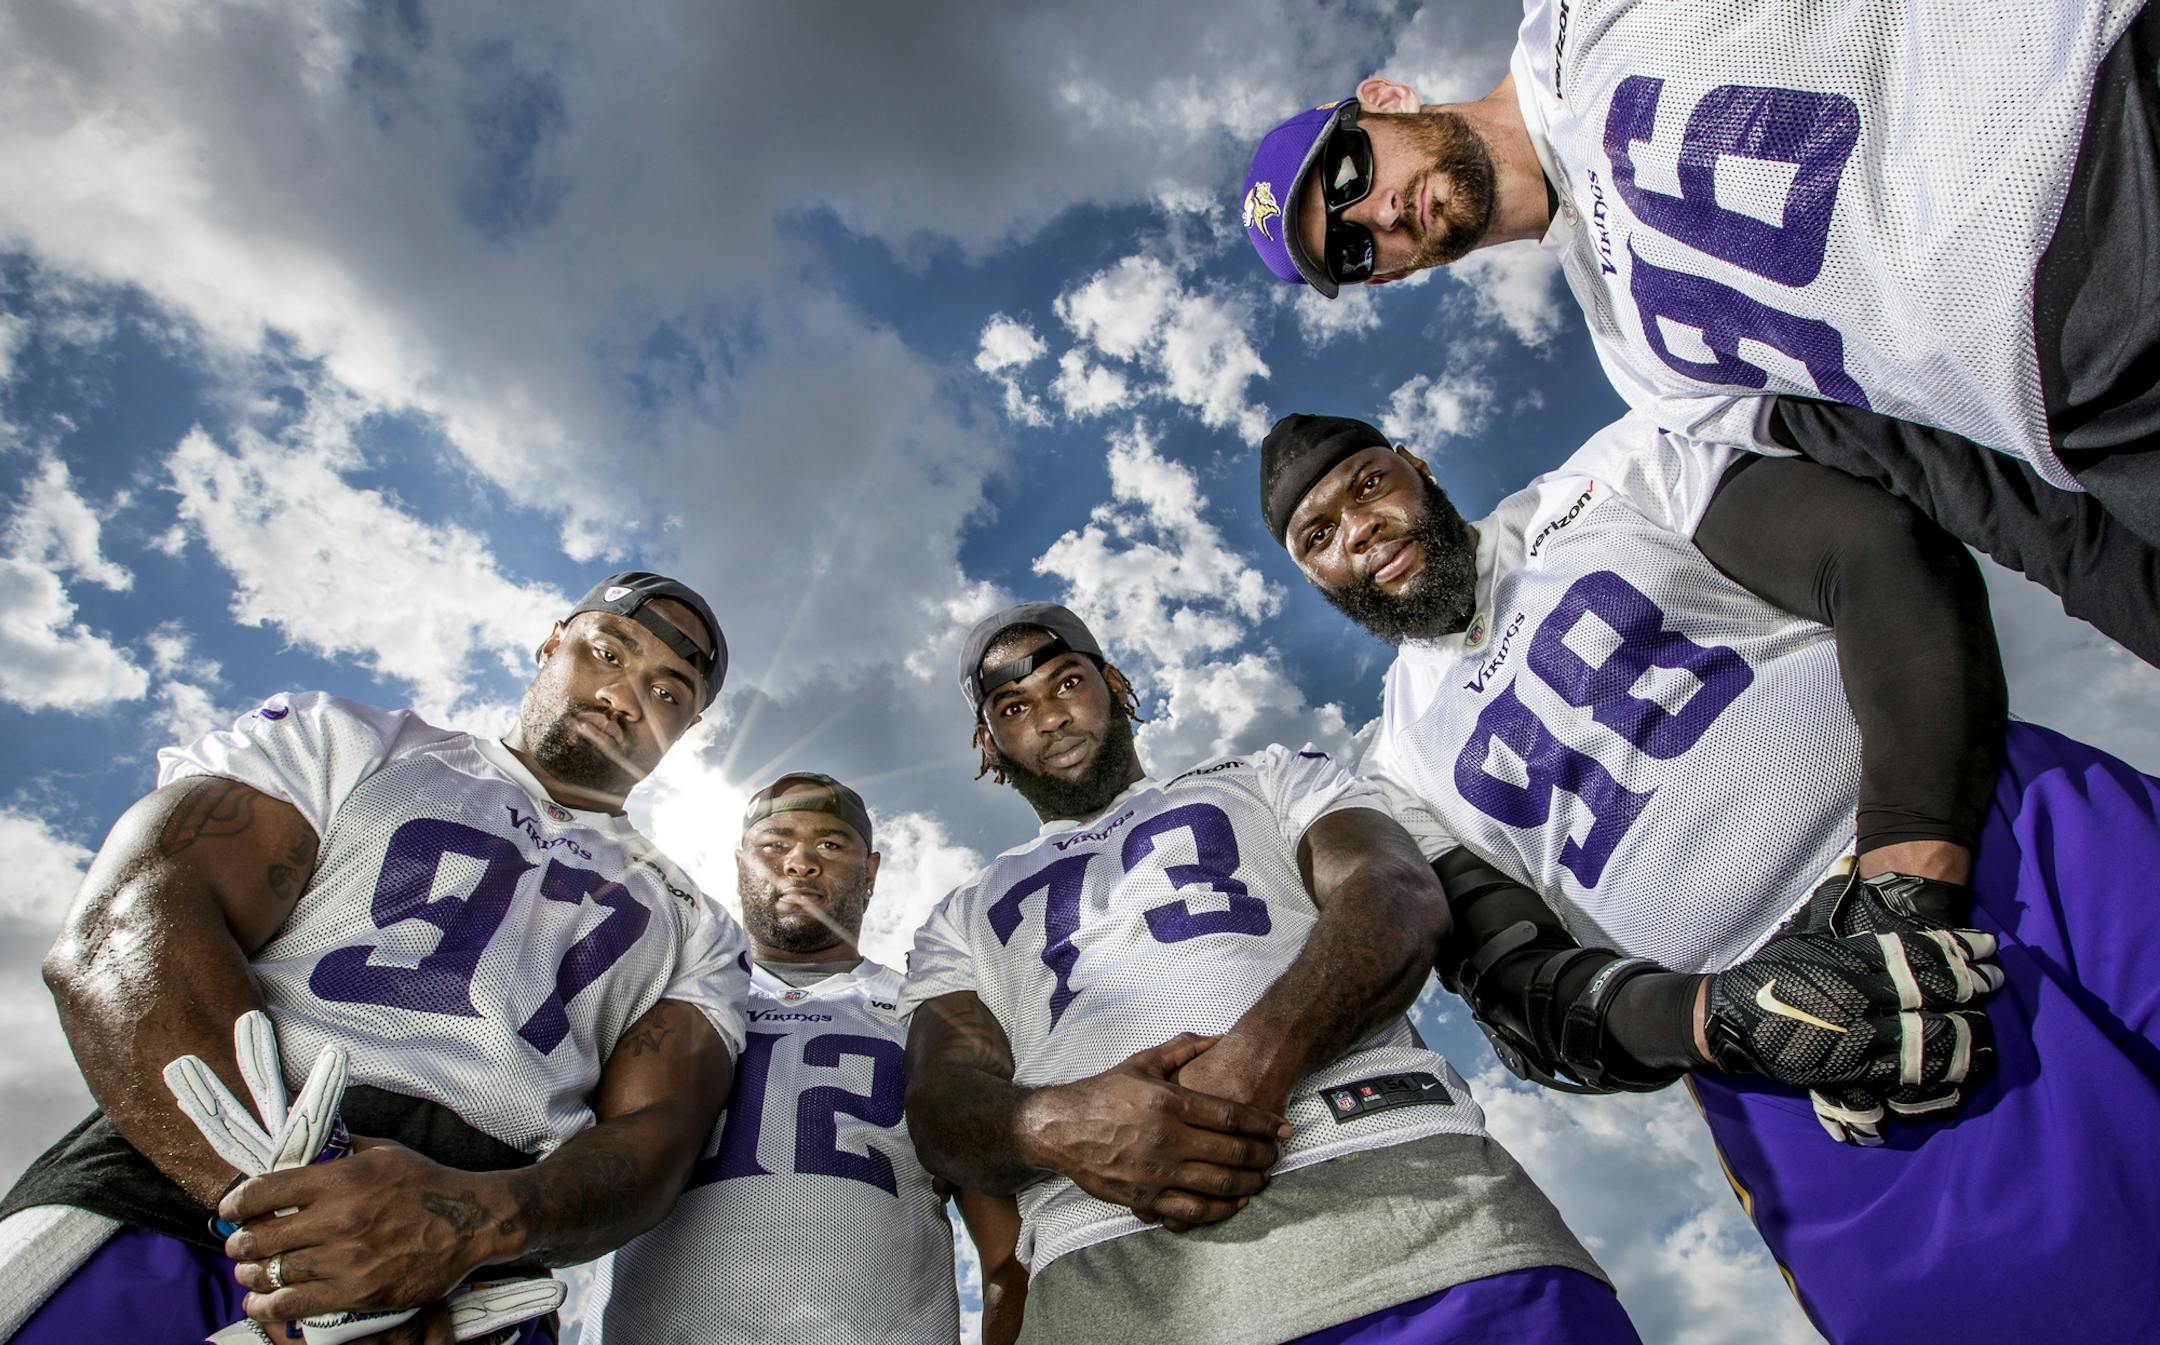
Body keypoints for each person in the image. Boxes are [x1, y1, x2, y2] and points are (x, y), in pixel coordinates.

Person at [1259, 410, 2160, 1343]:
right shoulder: (1398, 767)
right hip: (1796, 1043)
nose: (1358, 529)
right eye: (1318, 536)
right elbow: (1519, 986)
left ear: (1415, 464)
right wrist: (1727, 1017)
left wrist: (1907, 864)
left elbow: (1874, 555)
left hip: (2008, 844)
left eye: (1367, 485)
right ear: (1313, 579)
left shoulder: (1614, 475)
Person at [1240, 1, 2160, 667]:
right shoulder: (1643, 367)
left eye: (1350, 171)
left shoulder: (1585, 22)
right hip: (2103, 423)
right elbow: (1932, 467)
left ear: (1384, 94)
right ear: (1389, 276)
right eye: (1353, 250)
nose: (1379, 216)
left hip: (2111, 115)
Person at [0, 571, 750, 1345]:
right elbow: (132, 923)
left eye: (668, 693)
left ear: (686, 730)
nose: (623, 698)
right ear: (552, 639)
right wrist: (302, 1222)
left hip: (459, 1274)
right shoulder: (345, 740)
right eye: (607, 651)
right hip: (175, 1192)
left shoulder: (693, 921)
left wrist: (467, 1229)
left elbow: (661, 1134)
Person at [903, 601, 1653, 1345]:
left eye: (1067, 683)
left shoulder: (1268, 775)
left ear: (1117, 682)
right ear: (986, 743)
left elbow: (1394, 891)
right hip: (1111, 1272)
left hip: (1409, 1200)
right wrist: (1061, 1124)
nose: (1051, 717)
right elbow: (942, 1104)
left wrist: (1254, 1061)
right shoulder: (959, 916)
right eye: (1014, 706)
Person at [580, 771, 1027, 1345]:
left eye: (831, 843)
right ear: (741, 866)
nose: (800, 862)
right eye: (775, 843)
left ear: (870, 873)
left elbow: (1006, 1259)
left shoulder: (929, 1014)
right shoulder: (657, 995)